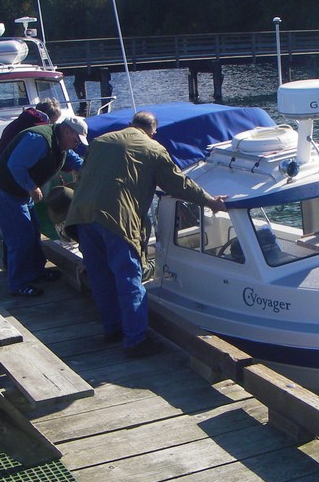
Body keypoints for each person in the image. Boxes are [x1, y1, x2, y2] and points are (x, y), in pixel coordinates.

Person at [64, 111, 227, 357]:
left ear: (130, 125)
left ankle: (113, 330)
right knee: (129, 280)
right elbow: (179, 184)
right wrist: (210, 202)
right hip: (116, 220)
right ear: (152, 131)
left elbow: (85, 176)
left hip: (83, 216)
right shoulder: (153, 148)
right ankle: (135, 341)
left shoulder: (101, 141)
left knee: (100, 279)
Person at [0, 115, 88, 297]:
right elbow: (15, 164)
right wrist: (31, 187)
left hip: (19, 194)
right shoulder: (39, 140)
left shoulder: (60, 144)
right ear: (67, 132)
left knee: (33, 232)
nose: (76, 144)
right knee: (20, 238)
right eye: (76, 140)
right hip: (6, 191)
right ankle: (18, 283)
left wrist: (93, 172)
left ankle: (35, 272)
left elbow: (76, 162)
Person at [0, 98, 62, 171]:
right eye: (54, 121)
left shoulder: (23, 120)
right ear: (48, 118)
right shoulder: (38, 128)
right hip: (4, 172)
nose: (53, 125)